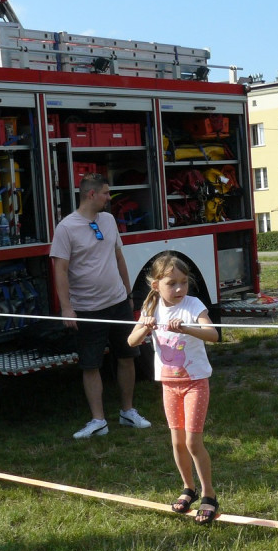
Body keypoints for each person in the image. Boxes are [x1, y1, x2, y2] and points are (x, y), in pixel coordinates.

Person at [50, 173, 151, 438]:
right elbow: (59, 270)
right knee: (90, 365)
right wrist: (67, 307)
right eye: (106, 193)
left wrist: (128, 293)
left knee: (128, 357)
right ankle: (98, 421)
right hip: (87, 309)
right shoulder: (66, 228)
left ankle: (128, 412)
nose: (110, 197)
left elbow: (118, 256)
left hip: (117, 302)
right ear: (91, 194)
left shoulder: (107, 220)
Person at [128, 253, 220, 525]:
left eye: (183, 282)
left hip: (194, 382)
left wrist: (190, 329)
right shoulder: (152, 306)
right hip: (169, 384)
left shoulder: (193, 305)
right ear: (156, 285)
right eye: (172, 283)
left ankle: (209, 495)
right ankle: (188, 489)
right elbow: (131, 341)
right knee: (177, 442)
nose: (179, 289)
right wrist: (144, 327)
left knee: (193, 442)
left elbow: (213, 334)